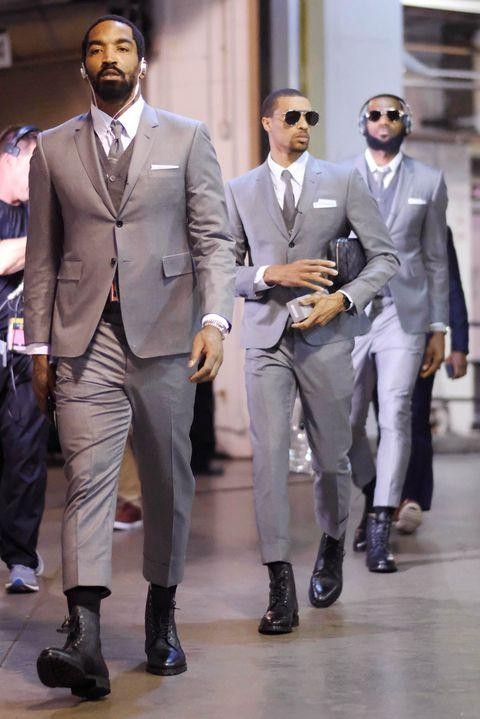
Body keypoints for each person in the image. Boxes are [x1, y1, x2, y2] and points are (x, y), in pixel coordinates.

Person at [23, 15, 235, 699]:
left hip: (169, 336)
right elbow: (43, 255)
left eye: (121, 48)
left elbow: (213, 238)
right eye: (96, 49)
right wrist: (38, 345)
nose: (108, 57)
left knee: (169, 480)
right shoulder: (53, 147)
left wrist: (215, 320)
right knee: (88, 481)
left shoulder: (186, 137)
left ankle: (161, 614)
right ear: (83, 67)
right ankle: (84, 637)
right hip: (85, 340)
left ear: (141, 64)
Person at [225, 88, 398, 635]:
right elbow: (222, 267)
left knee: (331, 458)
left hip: (328, 337)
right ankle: (279, 583)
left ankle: (332, 543)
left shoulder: (343, 181)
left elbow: (385, 257)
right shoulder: (239, 190)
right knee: (268, 459)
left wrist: (342, 299)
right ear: (267, 123)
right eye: (293, 116)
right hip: (266, 340)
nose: (304, 124)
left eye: (311, 117)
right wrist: (268, 274)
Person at [348, 94, 449, 572]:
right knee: (346, 422)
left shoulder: (429, 181)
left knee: (397, 414)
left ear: (406, 123)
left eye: (393, 114)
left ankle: (381, 523)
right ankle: (373, 492)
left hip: (404, 315)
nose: (383, 120)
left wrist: (438, 327)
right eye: (375, 114)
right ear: (363, 123)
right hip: (351, 312)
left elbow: (435, 259)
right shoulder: (340, 176)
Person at [0, 125, 49, 594]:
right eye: (33, 164)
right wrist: (38, 247)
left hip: (25, 351)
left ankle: (20, 557)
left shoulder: (42, 210)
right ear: (8, 158)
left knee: (26, 455)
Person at [396, 227, 469, 532]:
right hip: (371, 332)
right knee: (383, 417)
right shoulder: (363, 215)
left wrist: (459, 346)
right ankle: (381, 500)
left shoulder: (436, 227)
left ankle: (411, 498)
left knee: (415, 415)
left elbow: (451, 283)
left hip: (423, 335)